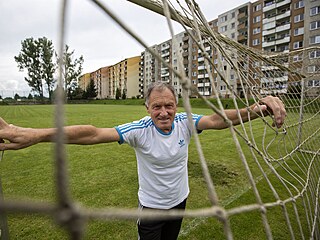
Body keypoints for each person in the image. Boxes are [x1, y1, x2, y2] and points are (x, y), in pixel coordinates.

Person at [0, 82, 286, 240]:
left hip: (180, 203)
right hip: (150, 210)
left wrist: (257, 108)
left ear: (176, 106)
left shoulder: (186, 122)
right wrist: (36, 134)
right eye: (157, 106)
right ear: (147, 107)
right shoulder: (139, 130)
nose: (164, 112)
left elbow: (218, 119)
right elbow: (93, 133)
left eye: (169, 105)